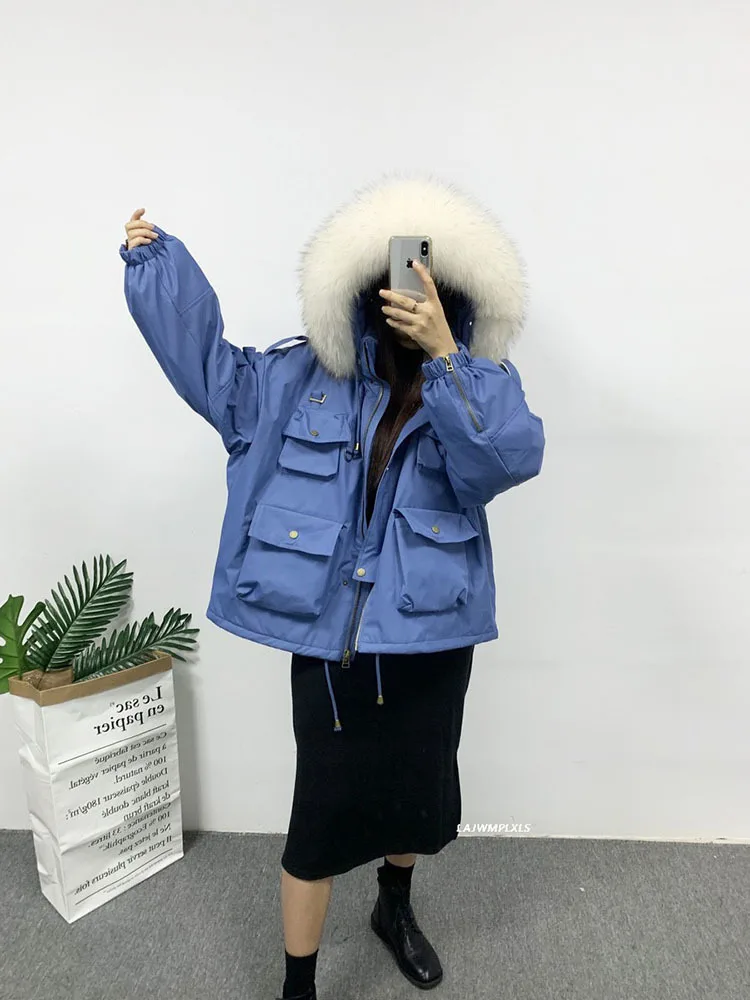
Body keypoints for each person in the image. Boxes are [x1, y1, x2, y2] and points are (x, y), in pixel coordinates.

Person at [119, 174, 545, 1000]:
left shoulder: (481, 384)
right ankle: (299, 985)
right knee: (317, 821)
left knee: (415, 797)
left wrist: (447, 358)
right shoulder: (296, 378)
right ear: (360, 288)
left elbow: (506, 460)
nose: (412, 291)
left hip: (429, 634)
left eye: (433, 281)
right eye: (395, 275)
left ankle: (394, 906)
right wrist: (157, 267)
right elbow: (211, 371)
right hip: (332, 643)